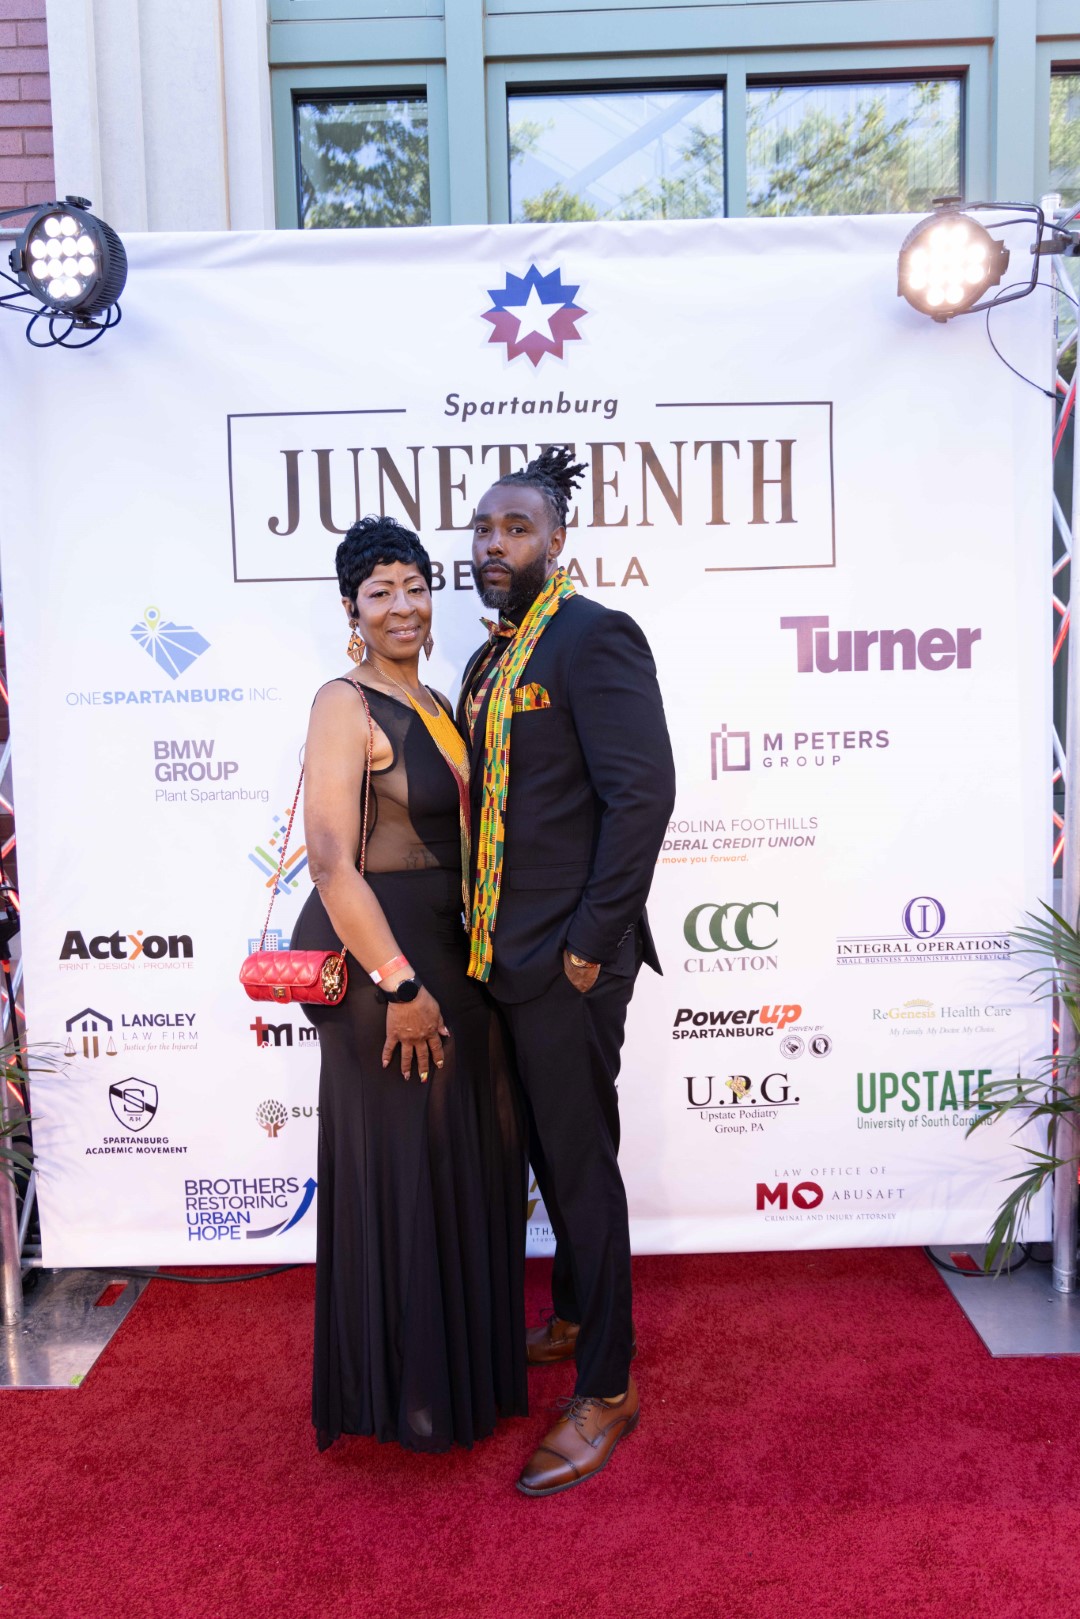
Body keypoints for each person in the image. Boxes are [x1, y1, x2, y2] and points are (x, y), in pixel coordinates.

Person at [458, 446, 676, 1497]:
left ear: (556, 540)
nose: (494, 545)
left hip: (571, 961)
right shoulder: (488, 659)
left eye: (516, 529)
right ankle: (581, 1315)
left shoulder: (594, 636)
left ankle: (609, 1388)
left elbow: (644, 796)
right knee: (550, 1154)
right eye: (484, 529)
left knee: (582, 1169)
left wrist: (589, 944)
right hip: (501, 957)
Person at [292, 513, 528, 1453]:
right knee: (405, 1164)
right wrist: (397, 986)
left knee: (457, 1158)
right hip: (378, 961)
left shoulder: (436, 700)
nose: (402, 605)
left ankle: (457, 1377)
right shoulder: (342, 703)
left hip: (449, 949)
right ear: (351, 608)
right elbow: (329, 860)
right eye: (379, 591)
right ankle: (407, 1397)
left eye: (416, 587)